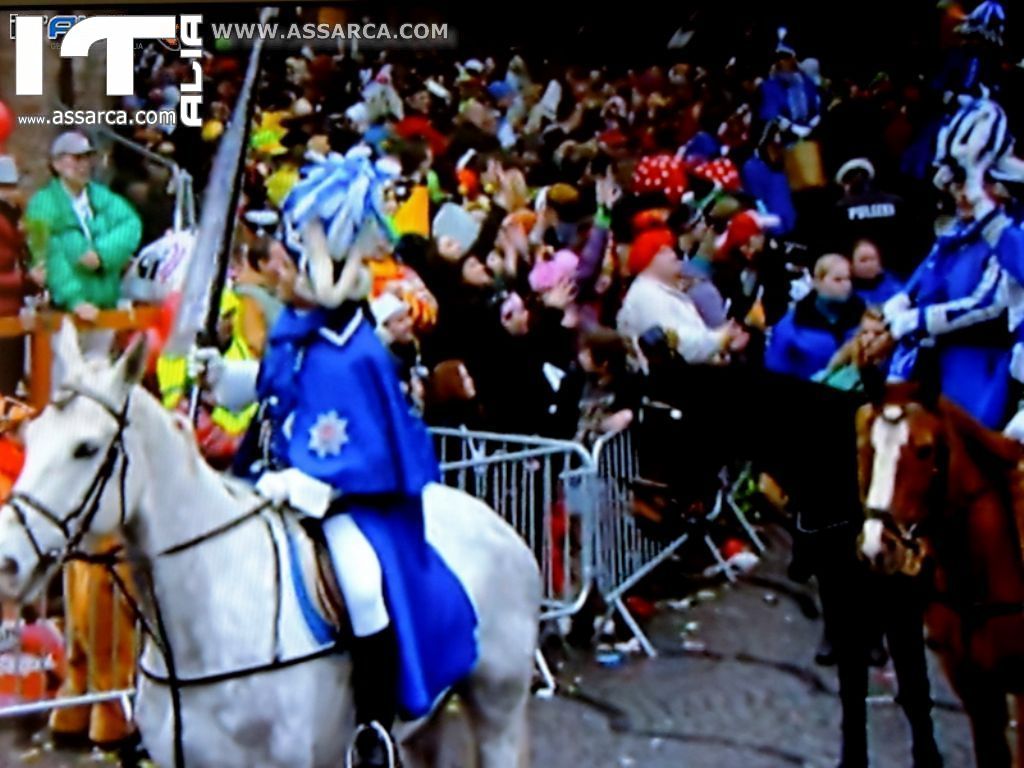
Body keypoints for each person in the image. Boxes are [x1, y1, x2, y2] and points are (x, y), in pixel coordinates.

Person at [194, 148, 478, 768]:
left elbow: (371, 445)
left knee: (362, 586)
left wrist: (314, 484)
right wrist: (220, 377)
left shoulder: (364, 353)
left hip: (349, 504)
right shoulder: (300, 331)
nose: (285, 271)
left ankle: (371, 730)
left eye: (297, 260)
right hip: (271, 484)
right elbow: (275, 388)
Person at [24, 132, 141, 321]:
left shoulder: (101, 197)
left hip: (106, 307)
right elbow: (47, 254)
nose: (84, 165)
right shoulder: (42, 204)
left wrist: (102, 254)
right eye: (77, 158)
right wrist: (75, 300)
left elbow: (130, 224)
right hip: (63, 313)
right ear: (57, 164)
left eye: (87, 158)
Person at [617, 227, 749, 365]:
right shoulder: (647, 296)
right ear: (648, 260)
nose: (673, 255)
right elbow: (680, 346)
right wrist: (721, 337)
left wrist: (721, 345)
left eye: (671, 249)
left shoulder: (658, 291)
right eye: (664, 251)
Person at [765, 254, 865, 380]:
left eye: (849, 279)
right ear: (817, 282)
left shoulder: (865, 319)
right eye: (838, 280)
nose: (847, 285)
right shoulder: (790, 326)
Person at [849, 238, 903, 308]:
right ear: (852, 265)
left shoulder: (895, 286)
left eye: (872, 259)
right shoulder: (847, 294)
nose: (869, 265)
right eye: (863, 260)